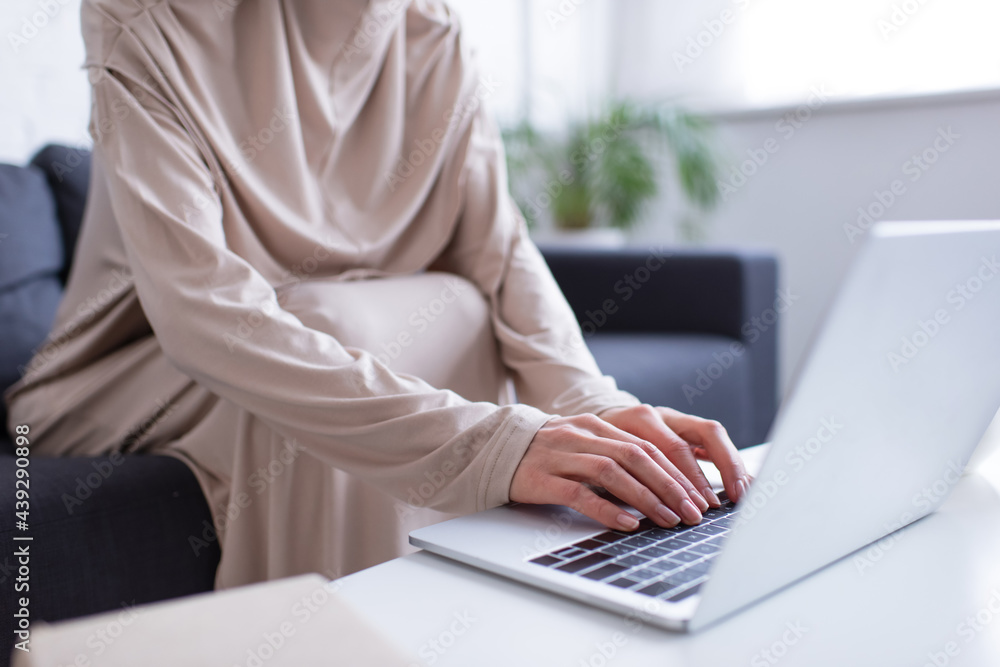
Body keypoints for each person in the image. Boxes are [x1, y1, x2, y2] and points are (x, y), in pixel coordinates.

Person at [5, 0, 750, 588]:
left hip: (320, 334)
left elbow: (499, 254)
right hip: (111, 384)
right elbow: (202, 313)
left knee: (448, 309)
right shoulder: (149, 18)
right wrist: (488, 446)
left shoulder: (433, 31)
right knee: (332, 319)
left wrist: (594, 406)